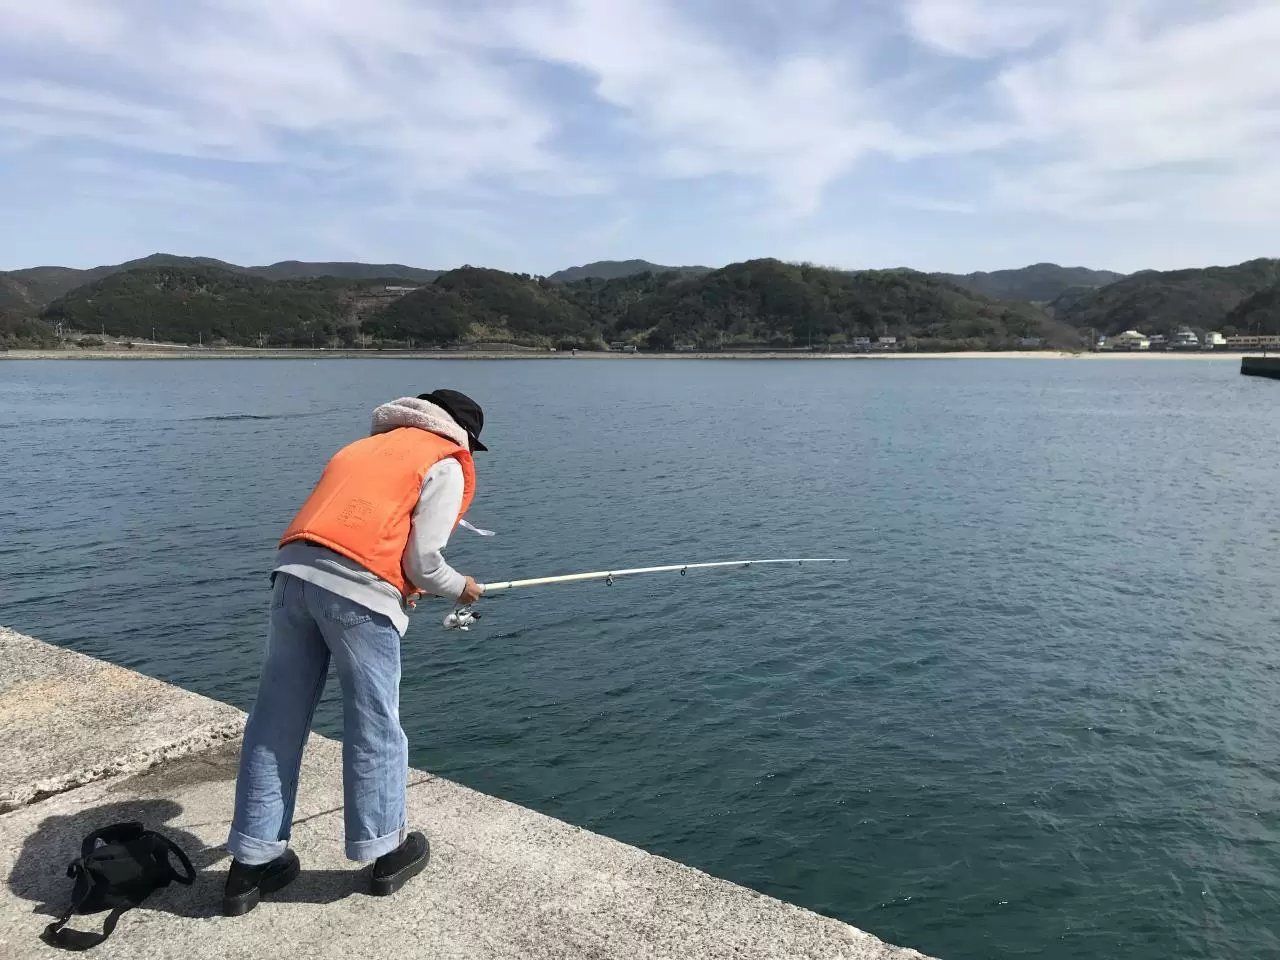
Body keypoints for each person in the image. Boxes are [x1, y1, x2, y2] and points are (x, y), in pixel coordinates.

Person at [222, 390, 488, 916]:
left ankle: (249, 865)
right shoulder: (442, 460)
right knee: (374, 723)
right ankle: (384, 853)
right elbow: (423, 562)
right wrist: (463, 588)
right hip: (359, 595)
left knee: (275, 719)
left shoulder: (362, 449)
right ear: (459, 434)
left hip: (292, 576)